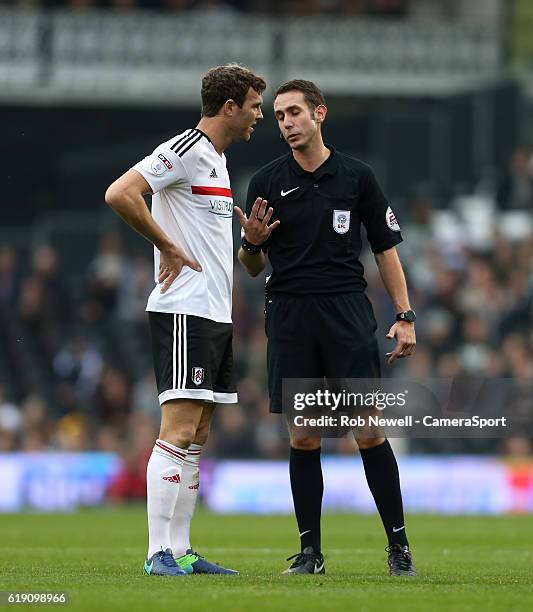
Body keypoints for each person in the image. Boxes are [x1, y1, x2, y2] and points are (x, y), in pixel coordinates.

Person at [235, 79, 417, 576]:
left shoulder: (357, 177)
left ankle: (399, 547)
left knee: (367, 429)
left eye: (294, 112)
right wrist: (250, 245)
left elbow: (385, 250)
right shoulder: (265, 183)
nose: (286, 123)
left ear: (320, 114)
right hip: (291, 314)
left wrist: (404, 316)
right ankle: (310, 552)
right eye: (278, 116)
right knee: (305, 435)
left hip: (346, 312)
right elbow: (252, 266)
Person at [105, 64, 265, 577]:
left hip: (215, 314)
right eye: (255, 105)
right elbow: (120, 193)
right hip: (184, 311)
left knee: (197, 432)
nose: (260, 115)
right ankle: (157, 552)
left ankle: (181, 550)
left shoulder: (216, 161)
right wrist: (166, 244)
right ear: (229, 107)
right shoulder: (186, 148)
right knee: (176, 429)